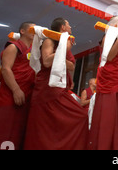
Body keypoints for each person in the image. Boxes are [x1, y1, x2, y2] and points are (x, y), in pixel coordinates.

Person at [24, 18, 88, 150]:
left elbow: (71, 66)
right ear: (63, 27)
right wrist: (62, 50)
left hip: (60, 89)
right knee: (44, 125)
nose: (71, 27)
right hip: (47, 88)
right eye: (69, 24)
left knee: (81, 116)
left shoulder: (64, 43)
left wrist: (63, 50)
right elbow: (47, 62)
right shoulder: (49, 40)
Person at [0, 22, 36, 150]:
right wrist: (16, 90)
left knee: (16, 134)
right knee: (3, 133)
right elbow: (5, 69)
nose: (35, 31)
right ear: (22, 31)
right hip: (10, 95)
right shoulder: (13, 47)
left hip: (26, 95)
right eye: (32, 29)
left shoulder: (33, 50)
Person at [87, 16, 118, 150]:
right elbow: (110, 57)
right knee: (108, 116)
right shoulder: (108, 37)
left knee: (116, 116)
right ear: (111, 25)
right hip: (108, 81)